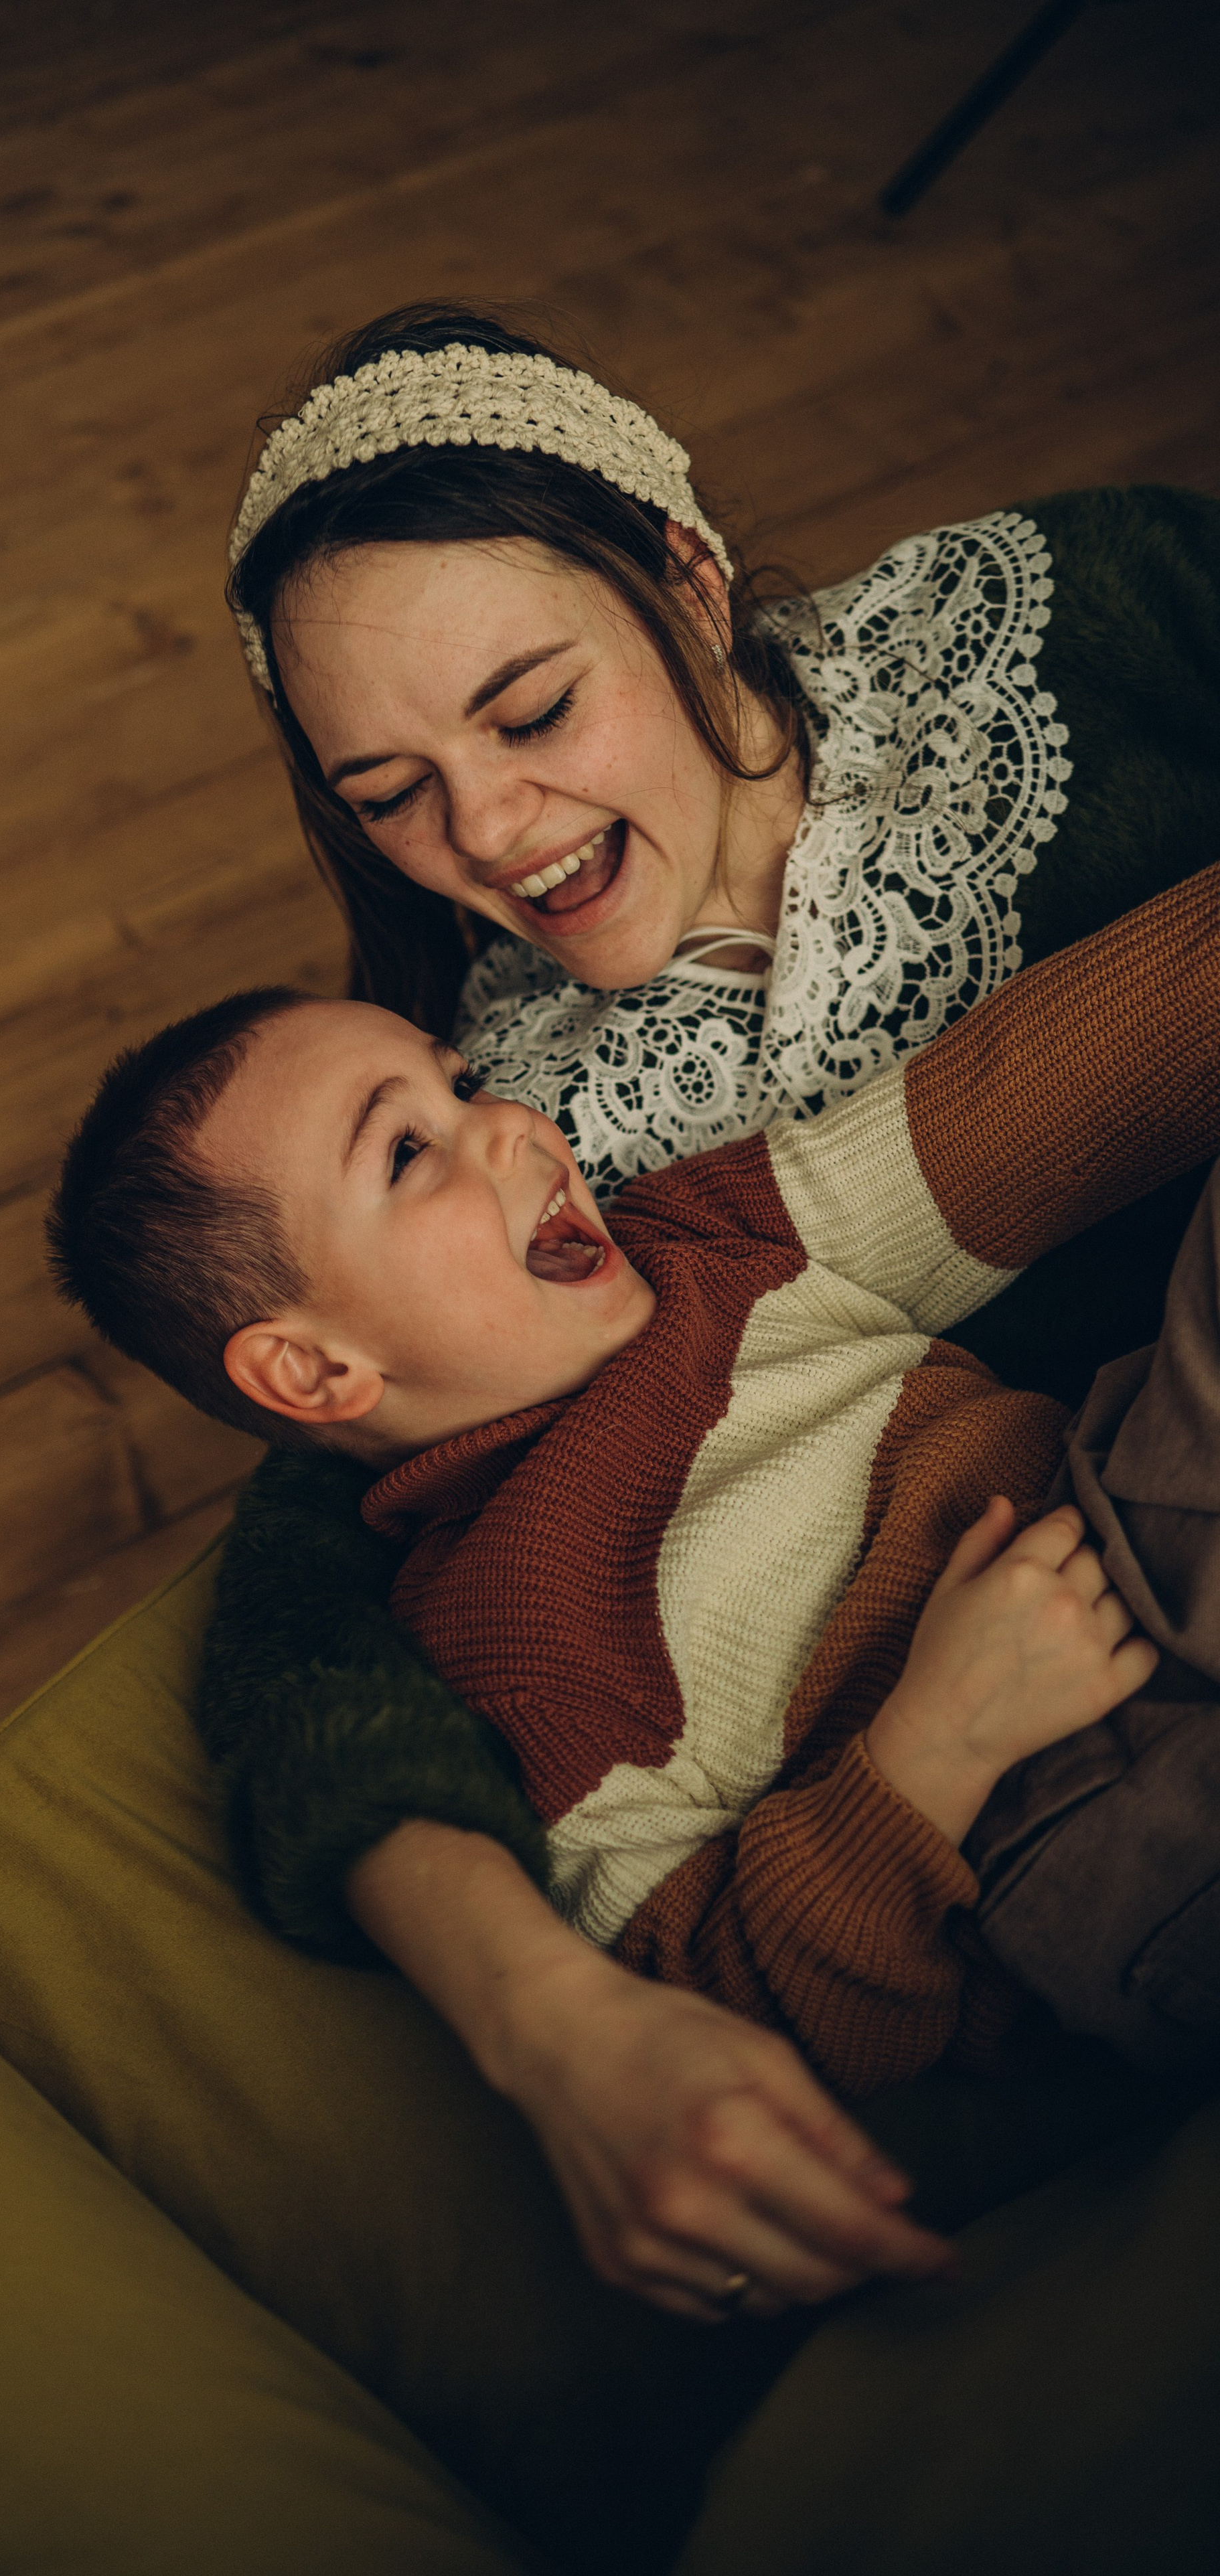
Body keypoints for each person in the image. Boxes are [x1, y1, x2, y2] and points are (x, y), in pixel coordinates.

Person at [198, 301, 1220, 2323]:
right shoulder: (535, 1158)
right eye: (390, 790)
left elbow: (1054, 1084)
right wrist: (548, 2023)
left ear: (688, 578)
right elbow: (304, 1615)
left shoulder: (1087, 605)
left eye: (530, 710)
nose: (487, 839)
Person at [50, 864, 1218, 2111]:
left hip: (1142, 1503)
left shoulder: (702, 1239)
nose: (508, 1125)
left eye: (461, 1084)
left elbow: (1033, 1097)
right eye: (406, 1151)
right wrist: (934, 1748)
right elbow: (735, 2011)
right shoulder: (508, 1639)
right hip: (1073, 1810)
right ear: (314, 1367)